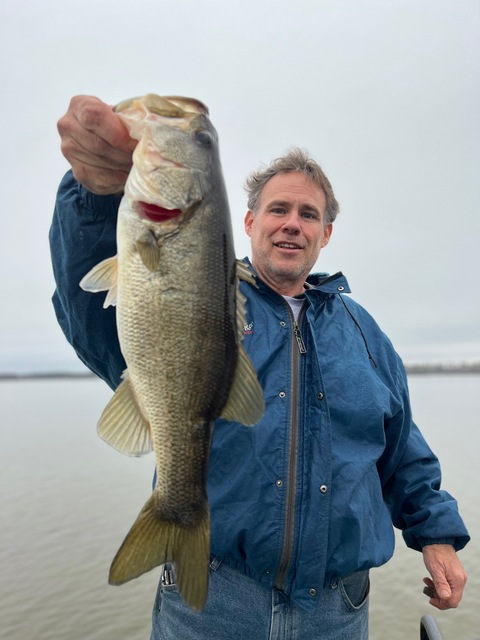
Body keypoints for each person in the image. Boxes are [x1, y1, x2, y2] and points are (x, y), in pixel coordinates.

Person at [50, 96, 469, 640]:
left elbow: (401, 446)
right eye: (278, 209)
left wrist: (435, 534)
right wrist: (92, 195)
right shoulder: (194, 292)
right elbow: (90, 313)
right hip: (212, 600)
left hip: (337, 609)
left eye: (308, 214)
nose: (292, 224)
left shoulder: (366, 334)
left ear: (326, 234)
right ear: (248, 221)